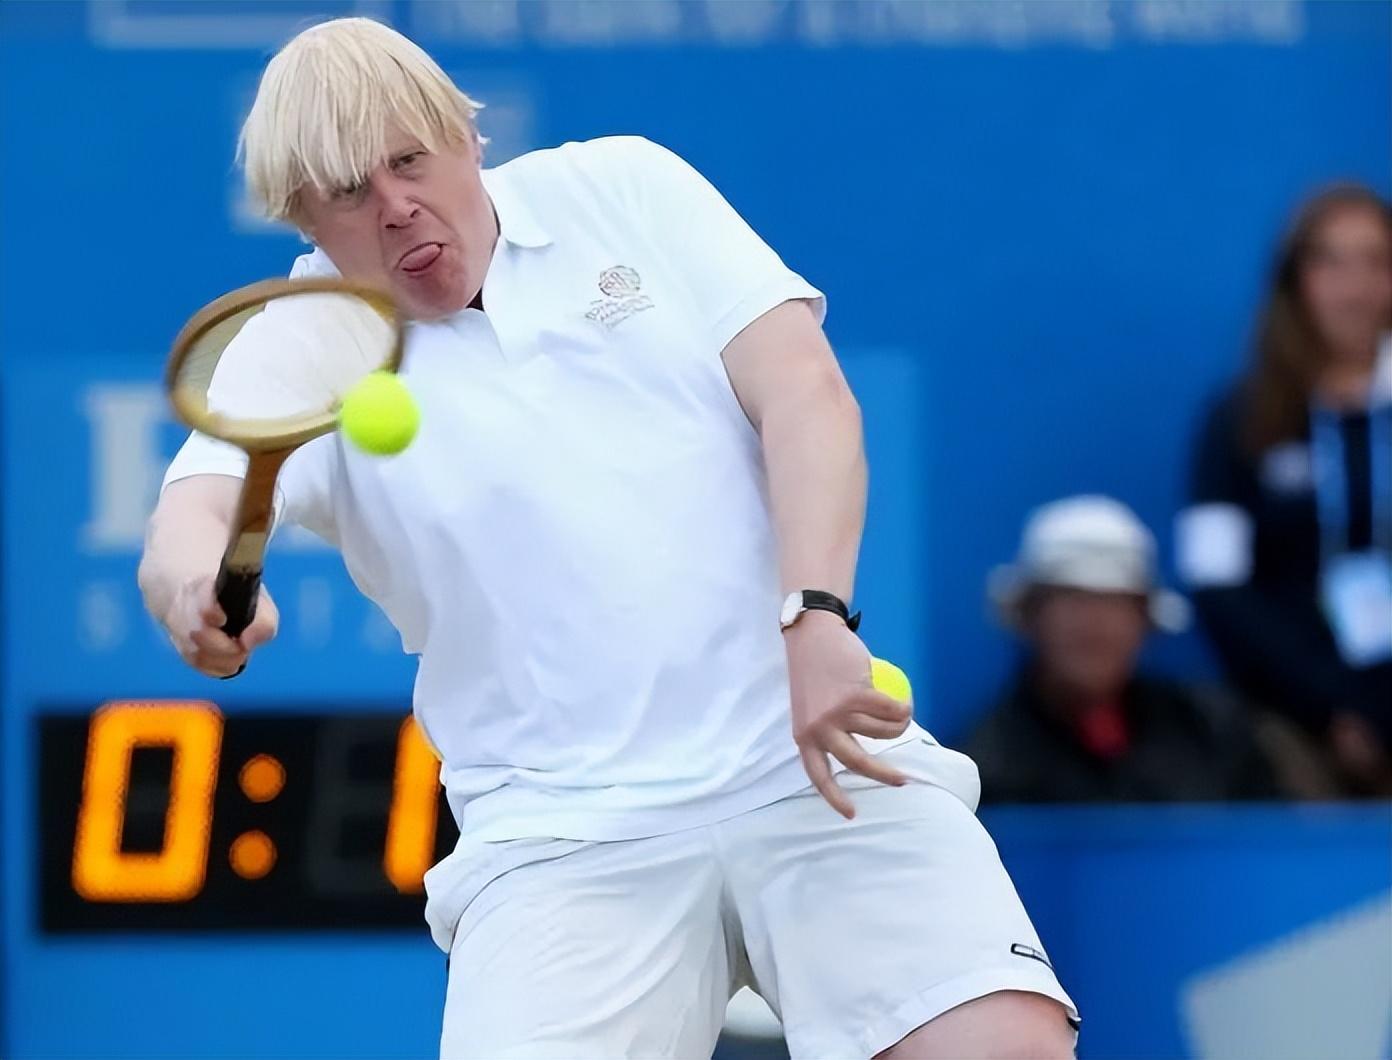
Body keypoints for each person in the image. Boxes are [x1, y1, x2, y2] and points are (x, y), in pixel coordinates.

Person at [137, 18, 1077, 1060]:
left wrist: (815, 617)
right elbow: (190, 523)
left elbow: (805, 392)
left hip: (810, 755)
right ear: (304, 219)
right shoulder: (298, 341)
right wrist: (195, 591)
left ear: (466, 138)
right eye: (350, 193)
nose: (396, 205)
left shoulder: (626, 188)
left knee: (1006, 1047)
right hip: (557, 834)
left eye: (409, 161)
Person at [1177, 186, 1392, 797]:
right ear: (1294, 279)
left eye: (1375, 261)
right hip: (1290, 721)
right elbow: (1217, 585)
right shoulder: (1241, 419)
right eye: (1331, 261)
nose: (1354, 286)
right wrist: (1331, 708)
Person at [967, 496, 1277, 803]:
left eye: (1115, 602)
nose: (1094, 621)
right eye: (1071, 597)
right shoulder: (983, 770)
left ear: (1144, 621)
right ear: (1030, 616)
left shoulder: (1216, 734)